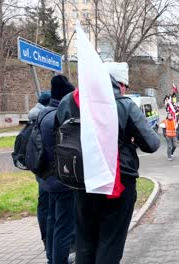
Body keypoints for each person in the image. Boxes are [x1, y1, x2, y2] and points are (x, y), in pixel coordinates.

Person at [56, 62, 160, 263]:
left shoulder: (69, 102)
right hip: (118, 183)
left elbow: (58, 136)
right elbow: (152, 143)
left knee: (85, 241)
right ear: (118, 83)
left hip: (82, 180)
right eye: (125, 85)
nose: (125, 90)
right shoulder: (125, 105)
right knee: (110, 242)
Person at [38, 75, 76, 263]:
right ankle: (59, 260)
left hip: (47, 179)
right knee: (64, 226)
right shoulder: (59, 116)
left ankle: (52, 258)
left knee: (53, 221)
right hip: (62, 180)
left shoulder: (44, 113)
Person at [28, 91, 51, 250]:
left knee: (43, 205)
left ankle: (46, 239)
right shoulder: (43, 116)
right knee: (48, 206)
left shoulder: (34, 115)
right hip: (46, 168)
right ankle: (49, 240)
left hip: (39, 167)